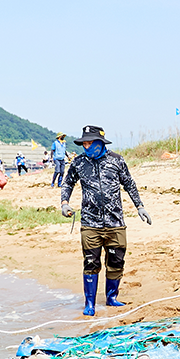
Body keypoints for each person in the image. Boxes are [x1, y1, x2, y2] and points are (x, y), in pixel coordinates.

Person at [60, 125, 152, 315]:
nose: (86, 146)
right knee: (91, 262)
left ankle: (111, 297)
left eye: (89, 142)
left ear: (99, 142)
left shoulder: (116, 161)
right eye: (83, 143)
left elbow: (129, 183)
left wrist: (140, 206)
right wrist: (64, 203)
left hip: (115, 223)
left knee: (116, 262)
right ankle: (90, 304)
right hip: (90, 224)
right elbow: (68, 182)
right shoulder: (78, 163)